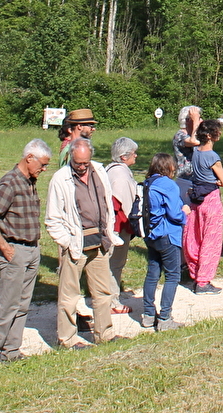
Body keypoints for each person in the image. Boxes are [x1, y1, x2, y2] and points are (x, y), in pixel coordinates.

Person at [0, 139, 51, 366]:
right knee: (7, 304)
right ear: (29, 158)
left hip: (31, 249)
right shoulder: (9, 183)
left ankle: (12, 350)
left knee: (22, 304)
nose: (44, 169)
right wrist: (4, 247)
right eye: (42, 164)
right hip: (14, 250)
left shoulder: (30, 181)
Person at [46, 138, 119, 349]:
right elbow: (52, 219)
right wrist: (66, 242)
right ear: (70, 157)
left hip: (100, 241)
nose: (81, 167)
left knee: (103, 293)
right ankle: (67, 340)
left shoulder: (98, 170)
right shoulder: (60, 179)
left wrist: (109, 232)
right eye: (78, 163)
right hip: (75, 245)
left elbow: (107, 202)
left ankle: (104, 333)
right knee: (69, 297)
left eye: (85, 163)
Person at [140, 153, 187, 330]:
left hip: (151, 235)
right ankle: (165, 318)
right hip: (168, 234)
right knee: (173, 275)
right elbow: (175, 214)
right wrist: (185, 213)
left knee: (152, 273)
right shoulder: (169, 185)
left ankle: (148, 315)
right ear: (169, 167)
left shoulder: (147, 183)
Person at [181, 119, 223, 293]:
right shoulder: (212, 157)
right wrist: (215, 180)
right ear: (210, 135)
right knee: (211, 240)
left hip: (196, 198)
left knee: (195, 236)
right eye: (217, 131)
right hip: (211, 199)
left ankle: (194, 272)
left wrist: (194, 123)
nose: (219, 133)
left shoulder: (196, 152)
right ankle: (203, 281)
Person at [104, 137, 140, 310]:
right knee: (115, 262)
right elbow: (122, 201)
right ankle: (112, 301)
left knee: (114, 262)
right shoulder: (120, 175)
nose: (136, 156)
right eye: (134, 153)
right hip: (118, 225)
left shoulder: (111, 169)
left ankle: (113, 291)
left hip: (115, 223)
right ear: (124, 157)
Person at [171, 105, 202, 175]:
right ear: (188, 120)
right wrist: (196, 122)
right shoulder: (179, 135)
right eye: (198, 118)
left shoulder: (193, 134)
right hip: (185, 178)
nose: (201, 121)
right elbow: (194, 142)